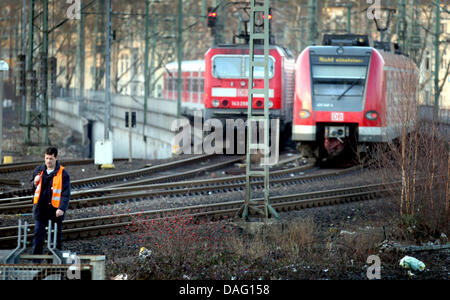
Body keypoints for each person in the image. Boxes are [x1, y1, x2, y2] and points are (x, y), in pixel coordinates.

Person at [31, 147, 71, 254]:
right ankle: (35, 262)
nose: (48, 161)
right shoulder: (38, 171)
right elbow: (33, 189)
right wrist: (34, 182)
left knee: (55, 239)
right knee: (38, 235)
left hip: (55, 211)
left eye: (51, 159)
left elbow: (65, 194)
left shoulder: (63, 173)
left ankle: (54, 262)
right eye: (47, 158)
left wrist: (61, 208)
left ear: (56, 158)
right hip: (40, 209)